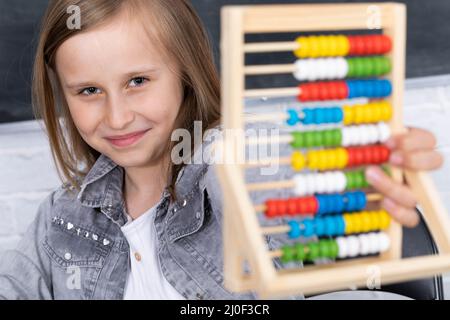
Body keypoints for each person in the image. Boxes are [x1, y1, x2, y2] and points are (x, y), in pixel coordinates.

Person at [0, 0, 443, 300]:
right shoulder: (62, 217)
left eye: (138, 81)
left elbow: (276, 174)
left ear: (184, 74)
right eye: (89, 90)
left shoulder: (233, 166)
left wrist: (363, 169)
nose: (116, 117)